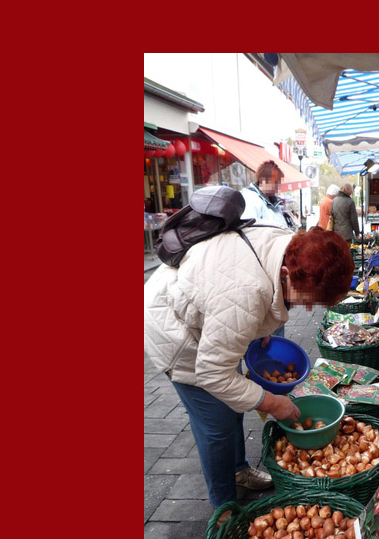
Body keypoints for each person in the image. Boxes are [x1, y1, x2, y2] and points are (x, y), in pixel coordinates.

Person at [144, 188, 355, 507]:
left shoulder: (289, 245)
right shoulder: (245, 293)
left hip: (208, 304)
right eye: (308, 301)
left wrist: (254, 331)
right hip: (173, 331)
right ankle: (224, 507)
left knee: (233, 403)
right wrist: (271, 402)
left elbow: (246, 297)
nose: (308, 311)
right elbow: (212, 373)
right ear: (287, 274)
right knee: (216, 424)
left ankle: (239, 470)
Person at [240, 160, 295, 230]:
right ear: (264, 180)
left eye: (279, 183)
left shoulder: (273, 202)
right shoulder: (251, 199)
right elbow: (248, 231)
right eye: (276, 182)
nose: (278, 186)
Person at [329, 183, 360, 266]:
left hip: (336, 234)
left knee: (338, 254)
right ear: (349, 192)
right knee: (345, 255)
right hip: (347, 235)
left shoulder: (334, 201)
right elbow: (354, 219)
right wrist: (357, 233)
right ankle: (344, 271)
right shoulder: (350, 202)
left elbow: (331, 216)